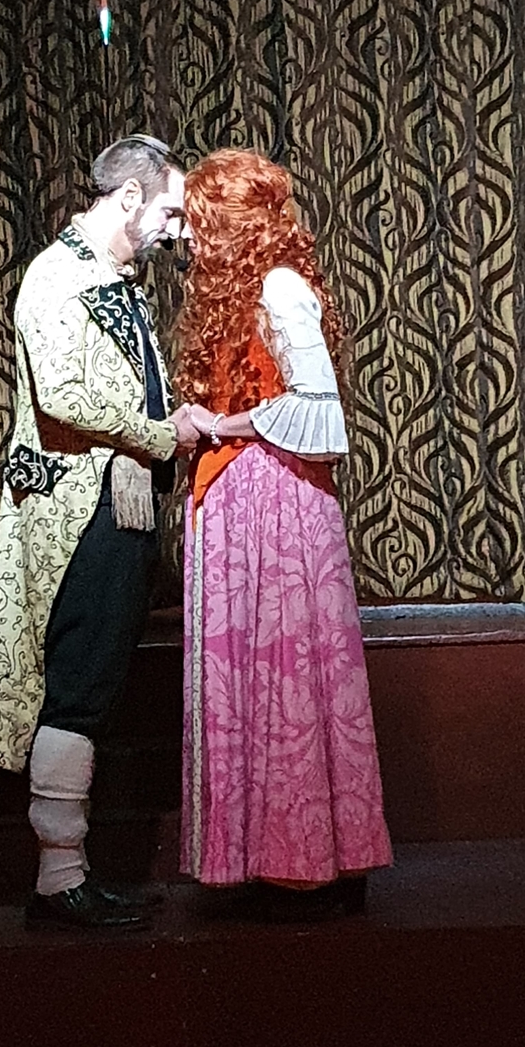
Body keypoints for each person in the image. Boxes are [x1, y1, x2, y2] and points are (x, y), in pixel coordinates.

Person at [0, 134, 199, 930]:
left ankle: (67, 875)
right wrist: (165, 433)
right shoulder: (58, 276)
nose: (175, 228)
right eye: (169, 211)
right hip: (78, 513)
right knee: (78, 689)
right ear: (129, 198)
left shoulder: (111, 279)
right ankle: (59, 880)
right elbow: (64, 396)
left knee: (92, 687)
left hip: (115, 503)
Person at [178, 148, 392, 919]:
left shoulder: (279, 286)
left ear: (235, 223)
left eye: (201, 222)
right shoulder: (237, 295)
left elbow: (318, 411)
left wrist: (220, 423)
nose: (189, 238)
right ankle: (262, 860)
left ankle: (308, 865)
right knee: (251, 677)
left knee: (288, 675)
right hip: (239, 500)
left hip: (278, 504)